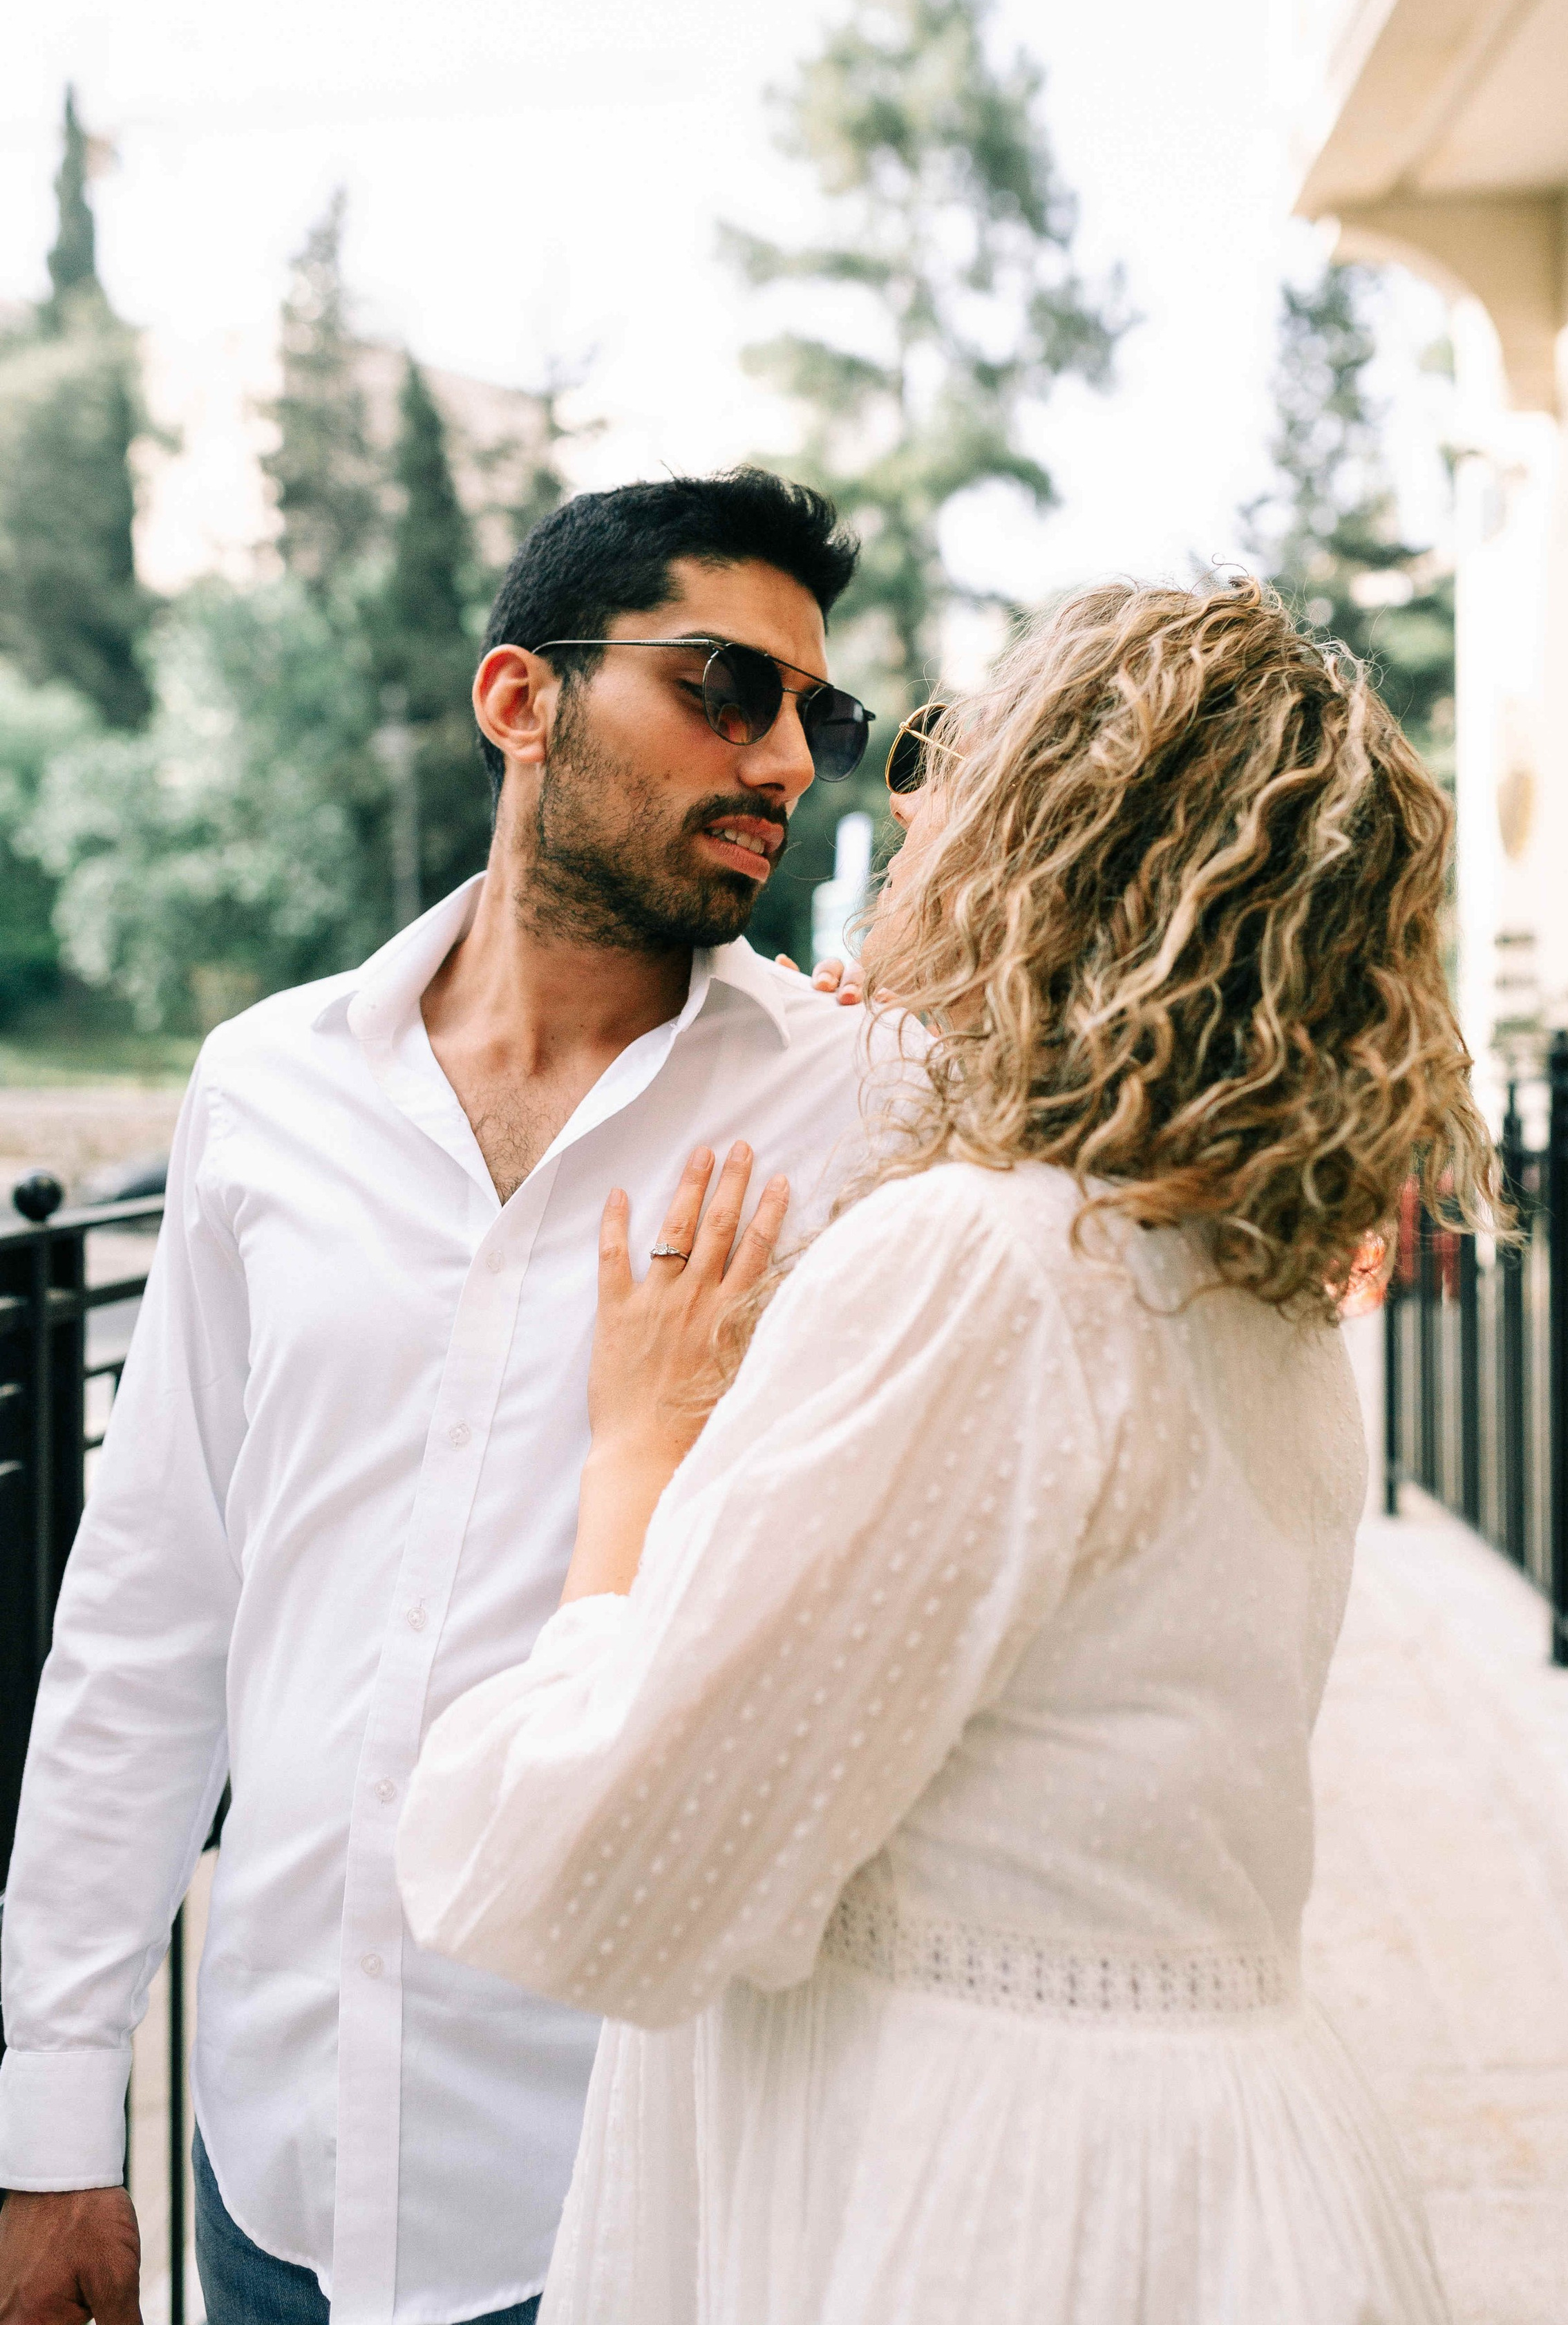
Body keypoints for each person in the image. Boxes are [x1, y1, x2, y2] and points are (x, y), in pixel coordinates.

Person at [396, 576, 1497, 2325]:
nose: (900, 798)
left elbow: (601, 1868)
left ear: (1067, 842)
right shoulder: (1230, 1275)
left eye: (956, 758)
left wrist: (638, 1453)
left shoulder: (986, 1264)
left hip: (1002, 2207)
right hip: (1222, 2174)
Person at [0, 471, 903, 2325]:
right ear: (522, 701)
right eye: (727, 686)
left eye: (819, 715)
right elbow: (152, 1609)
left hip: (630, 2196)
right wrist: (54, 2112)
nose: (788, 760)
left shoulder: (869, 1109)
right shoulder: (263, 1090)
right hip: (273, 2169)